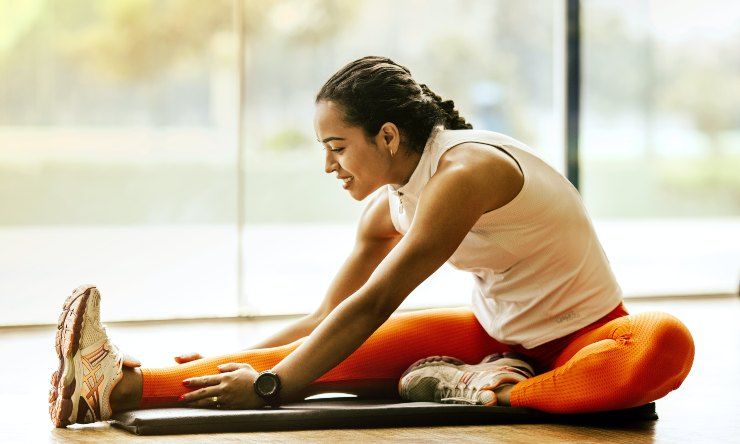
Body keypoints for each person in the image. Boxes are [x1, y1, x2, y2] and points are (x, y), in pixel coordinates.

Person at [49, 56, 694, 428]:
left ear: (387, 136)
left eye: (337, 147)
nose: (330, 166)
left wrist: (275, 388)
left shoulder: (466, 174)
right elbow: (327, 320)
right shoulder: (389, 207)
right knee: (310, 352)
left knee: (666, 342)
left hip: (588, 337)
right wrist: (237, 360)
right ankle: (110, 386)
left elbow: (380, 298)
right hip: (494, 338)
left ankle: (491, 391)